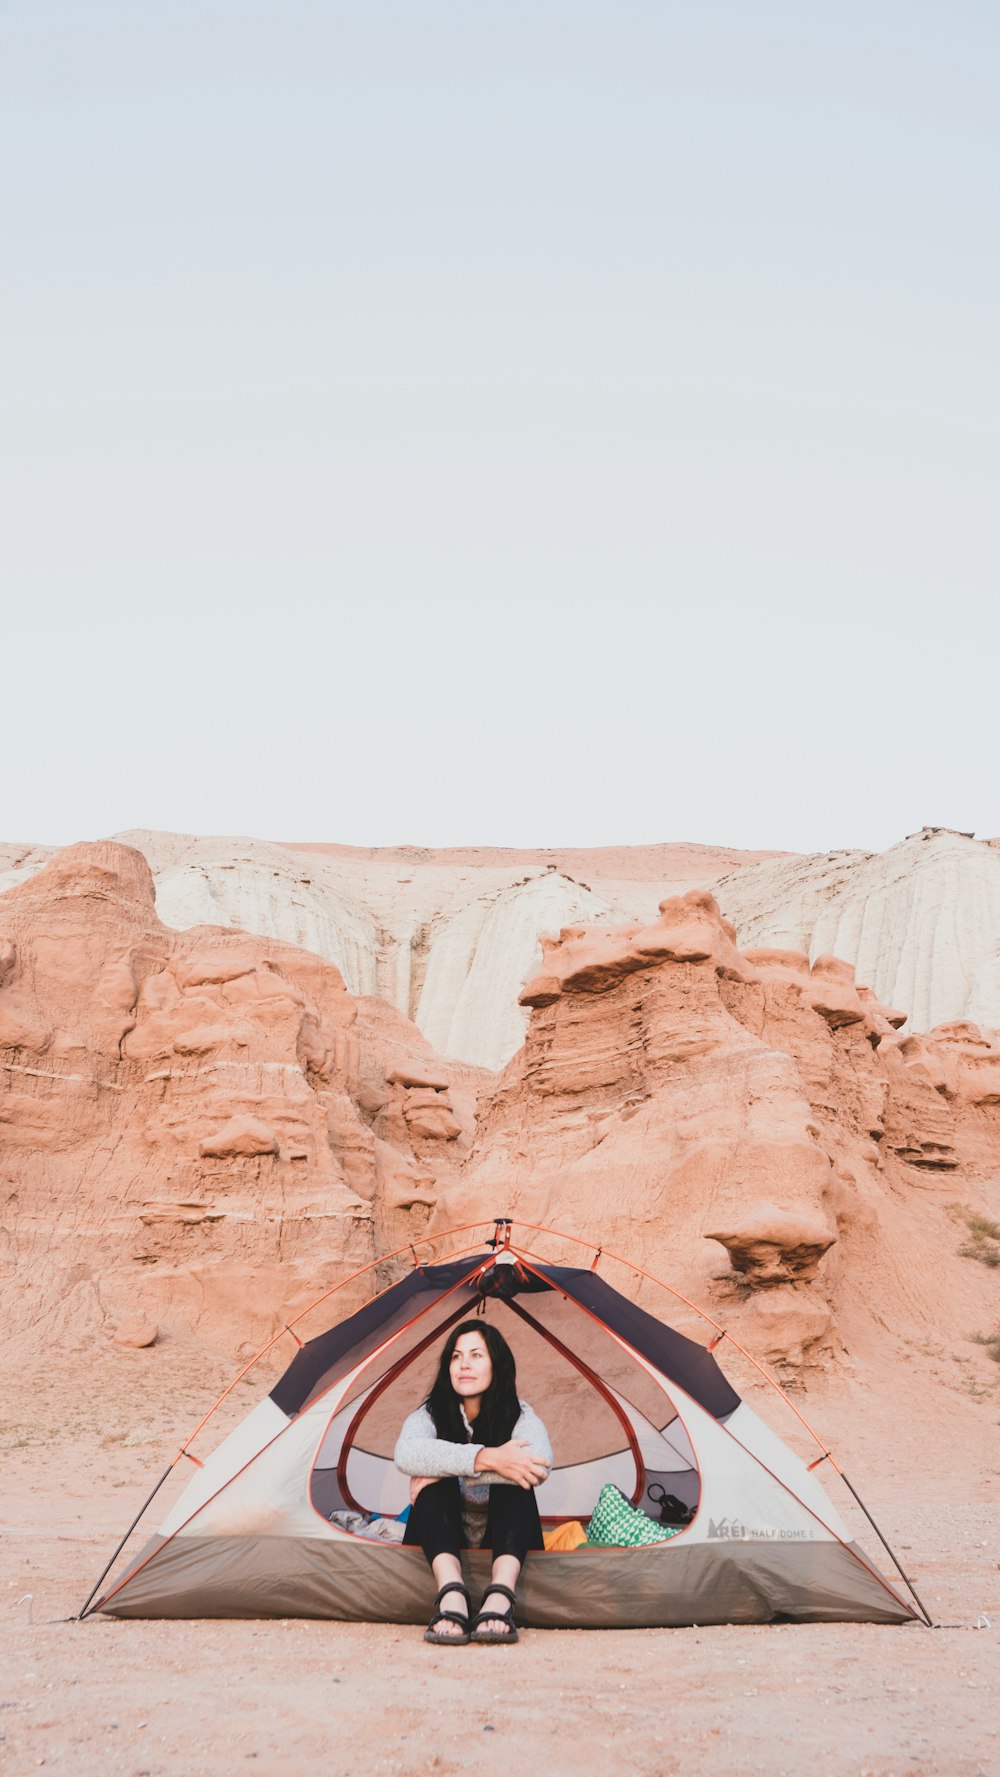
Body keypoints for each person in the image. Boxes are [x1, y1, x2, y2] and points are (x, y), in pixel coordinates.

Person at [393, 1320, 552, 1644]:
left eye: (476, 1355)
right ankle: (452, 1594)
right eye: (456, 1356)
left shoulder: (521, 1416)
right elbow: (406, 1454)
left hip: (506, 1536)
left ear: (497, 1364)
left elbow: (537, 1466)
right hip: (441, 1537)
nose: (464, 1364)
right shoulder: (429, 1414)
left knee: (517, 1482)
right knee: (436, 1487)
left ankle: (501, 1595)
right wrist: (489, 1459)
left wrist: (446, 1465)